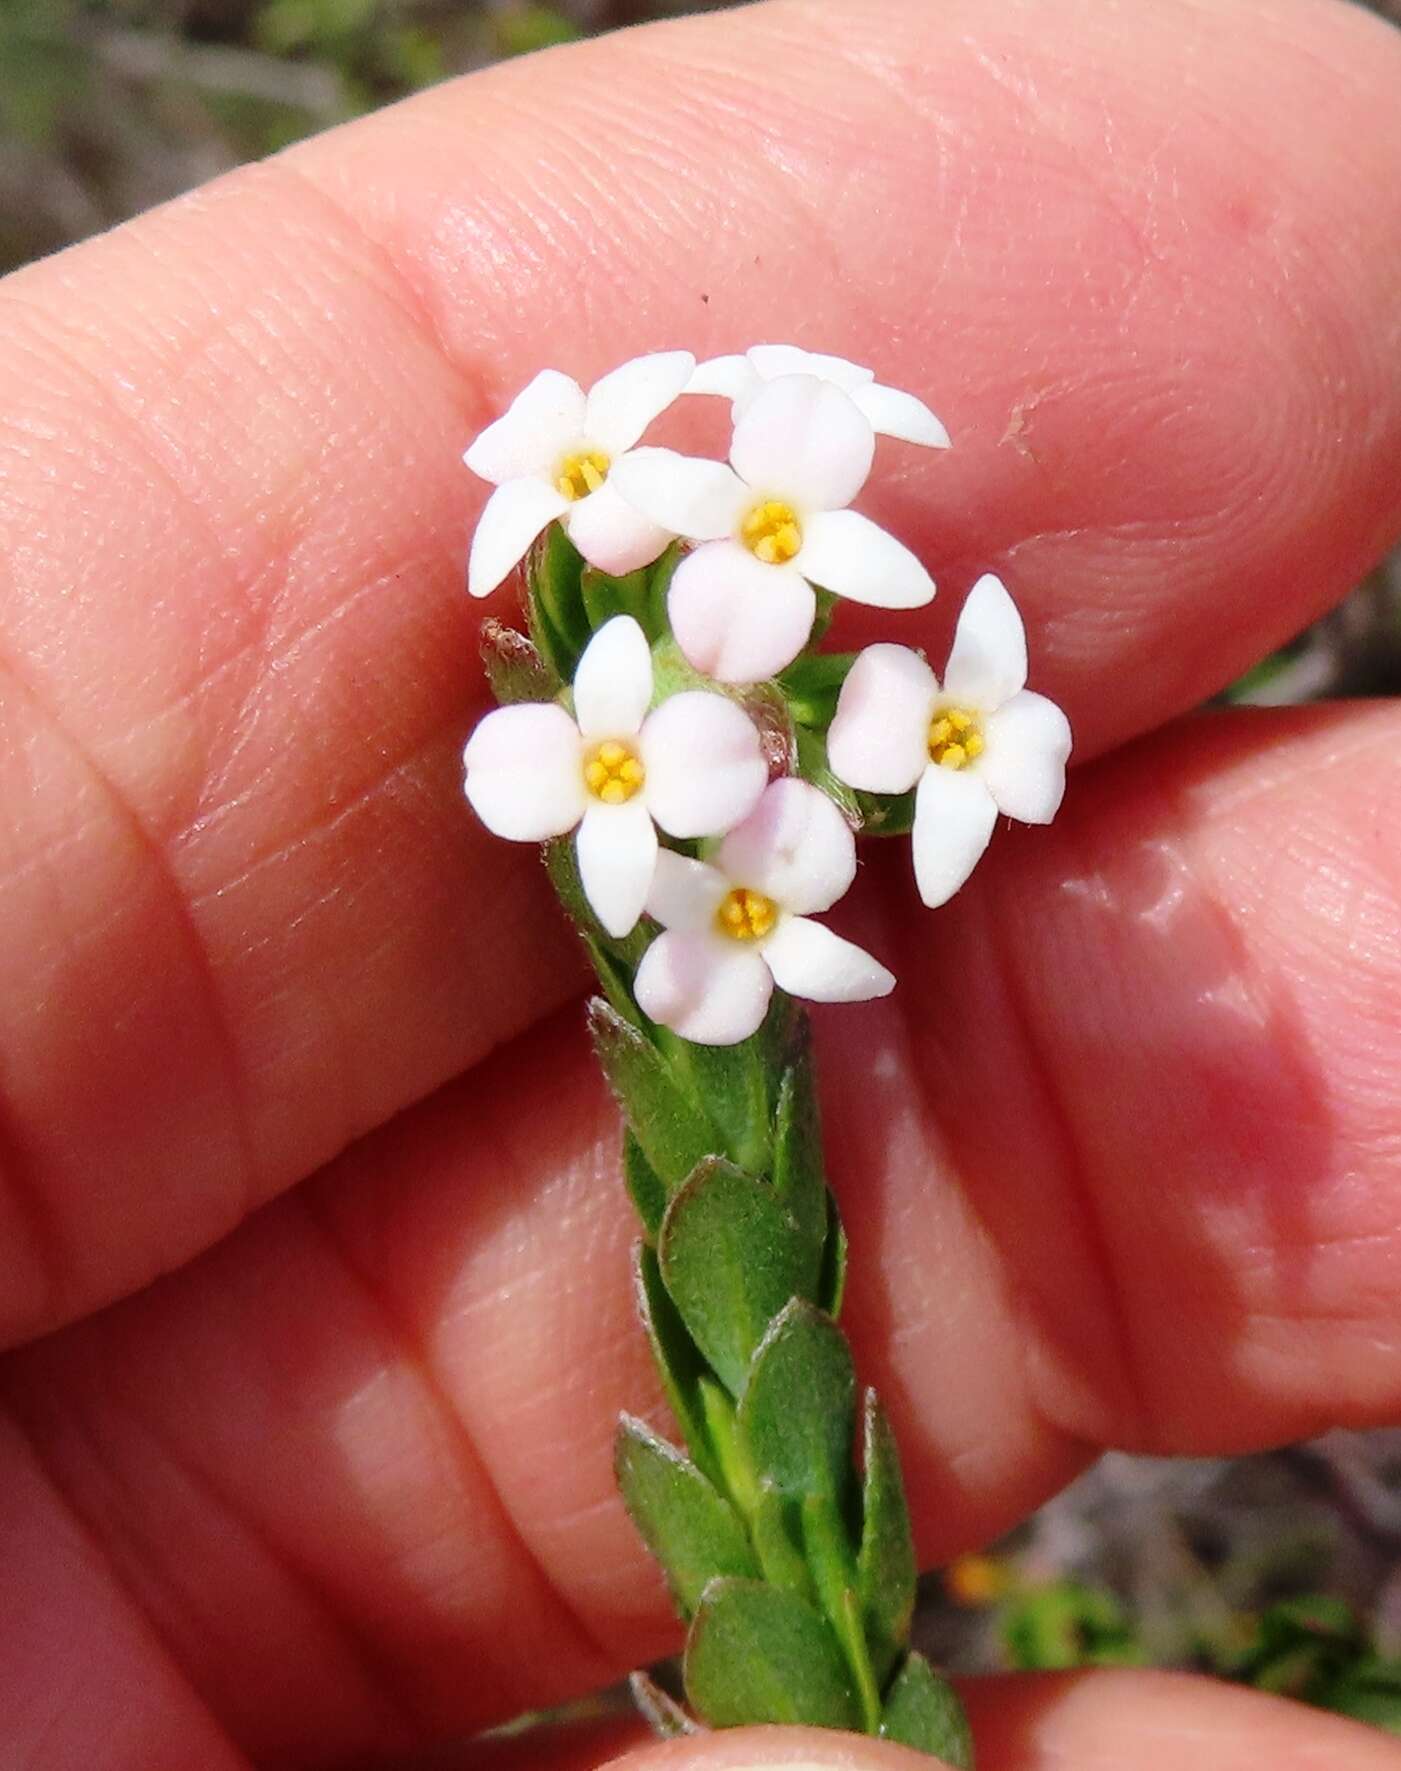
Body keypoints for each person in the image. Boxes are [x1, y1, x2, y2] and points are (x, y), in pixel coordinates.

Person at [2, 0, 1401, 1765]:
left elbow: (754, 805)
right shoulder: (650, 683)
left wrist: (756, 810)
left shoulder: (782, 686)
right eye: (589, 480)